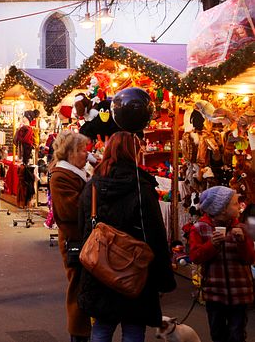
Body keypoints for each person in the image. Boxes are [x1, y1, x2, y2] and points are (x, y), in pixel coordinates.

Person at [77, 131, 175, 342]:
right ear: (134, 153)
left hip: (100, 267)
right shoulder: (141, 187)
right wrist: (163, 278)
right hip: (135, 268)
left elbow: (84, 228)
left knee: (102, 326)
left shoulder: (93, 185)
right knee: (133, 327)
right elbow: (155, 234)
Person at [189, 186, 255, 342]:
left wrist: (242, 242)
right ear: (222, 209)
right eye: (234, 203)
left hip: (240, 292)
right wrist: (212, 245)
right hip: (214, 293)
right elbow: (195, 257)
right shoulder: (199, 228)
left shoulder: (243, 228)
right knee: (217, 334)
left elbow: (250, 259)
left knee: (237, 335)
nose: (239, 206)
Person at [48, 131, 92, 342]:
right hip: (74, 241)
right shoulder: (61, 176)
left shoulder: (77, 173)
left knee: (84, 287)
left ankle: (83, 332)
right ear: (71, 152)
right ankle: (79, 334)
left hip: (83, 239)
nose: (86, 154)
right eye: (82, 149)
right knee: (77, 288)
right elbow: (70, 210)